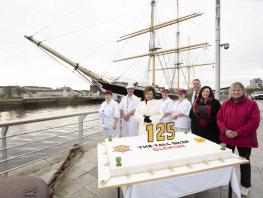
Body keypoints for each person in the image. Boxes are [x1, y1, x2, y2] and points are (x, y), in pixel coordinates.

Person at [217, 82, 260, 197]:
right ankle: (225, 181)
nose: (236, 92)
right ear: (230, 92)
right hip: (227, 137)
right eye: (233, 90)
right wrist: (225, 130)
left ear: (243, 91)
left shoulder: (251, 104)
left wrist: (238, 132)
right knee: (226, 161)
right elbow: (219, 119)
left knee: (244, 163)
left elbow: (254, 122)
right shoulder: (225, 104)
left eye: (238, 90)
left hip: (244, 139)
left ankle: (245, 186)